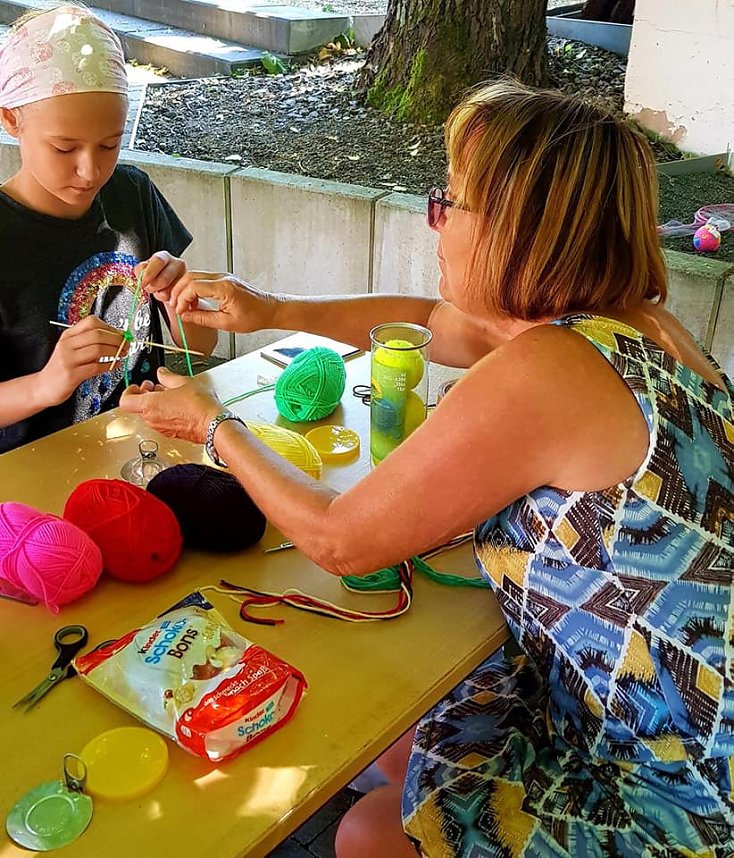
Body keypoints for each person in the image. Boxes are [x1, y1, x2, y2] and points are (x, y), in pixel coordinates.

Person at [121, 81, 734, 856]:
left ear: (518, 228)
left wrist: (215, 429)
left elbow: (342, 542)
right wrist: (268, 308)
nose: (432, 218)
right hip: (668, 713)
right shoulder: (640, 327)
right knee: (399, 727)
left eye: (451, 200)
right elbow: (432, 324)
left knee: (366, 834)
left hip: (681, 782)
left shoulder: (552, 370)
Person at [0, 5, 216, 454]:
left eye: (110, 144)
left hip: (144, 448)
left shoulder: (131, 193)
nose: (90, 170)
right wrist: (46, 384)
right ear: (10, 120)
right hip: (38, 473)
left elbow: (198, 346)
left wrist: (184, 305)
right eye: (64, 147)